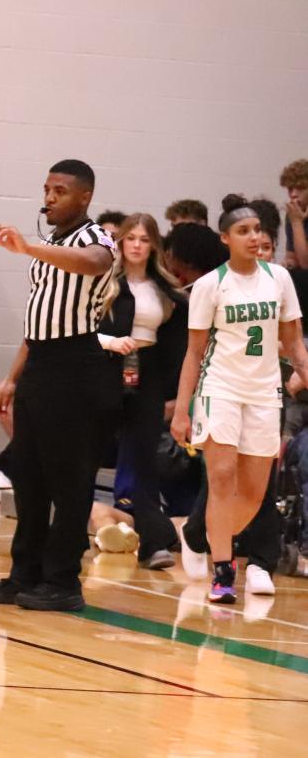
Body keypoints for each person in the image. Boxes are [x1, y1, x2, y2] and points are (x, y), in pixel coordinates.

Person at [0, 159, 119, 612]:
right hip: (40, 363)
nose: (50, 198)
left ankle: (64, 581)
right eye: (47, 189)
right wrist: (12, 377)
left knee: (69, 479)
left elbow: (95, 264)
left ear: (84, 197)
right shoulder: (53, 244)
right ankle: (25, 573)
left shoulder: (94, 239)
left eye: (60, 191)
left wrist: (30, 248)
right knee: (29, 476)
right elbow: (39, 322)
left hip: (77, 368)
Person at [171, 201, 308, 604]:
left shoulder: (279, 279)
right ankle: (224, 571)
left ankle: (200, 534)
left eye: (259, 230)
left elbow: (294, 344)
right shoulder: (211, 285)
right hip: (221, 389)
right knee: (223, 478)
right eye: (245, 230)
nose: (255, 236)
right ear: (226, 239)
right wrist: (183, 409)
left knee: (251, 493)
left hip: (265, 393)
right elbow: (194, 353)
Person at [94, 214, 188, 568]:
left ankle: (153, 542)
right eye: (130, 238)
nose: (136, 244)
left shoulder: (165, 290)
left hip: (145, 374)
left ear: (153, 246)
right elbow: (83, 329)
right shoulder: (105, 283)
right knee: (91, 450)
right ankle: (70, 537)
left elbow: (176, 339)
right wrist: (111, 342)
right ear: (120, 243)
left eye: (144, 239)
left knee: (145, 457)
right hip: (107, 370)